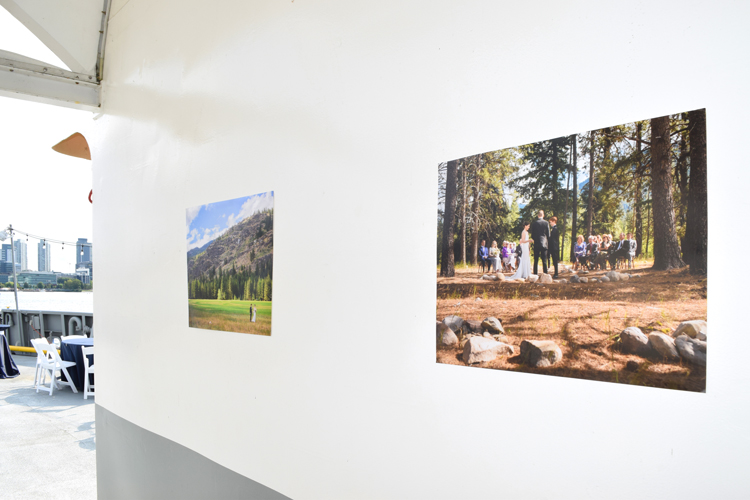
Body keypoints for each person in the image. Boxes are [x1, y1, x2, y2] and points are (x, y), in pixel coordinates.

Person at [530, 210, 550, 275]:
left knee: (536, 260)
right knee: (544, 260)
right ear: (543, 215)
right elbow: (548, 234)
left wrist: (535, 239)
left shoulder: (534, 223)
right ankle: (545, 273)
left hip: (536, 243)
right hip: (544, 243)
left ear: (538, 215)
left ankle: (535, 274)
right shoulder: (546, 223)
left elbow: (532, 235)